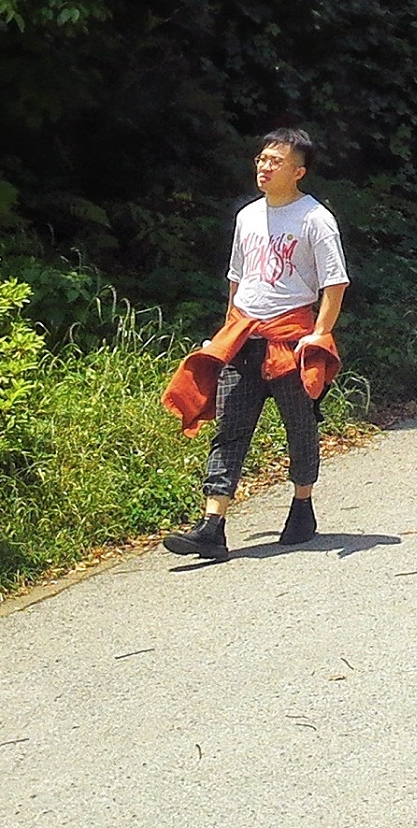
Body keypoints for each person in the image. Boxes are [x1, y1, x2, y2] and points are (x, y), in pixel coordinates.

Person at [161, 129, 348, 561]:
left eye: (275, 161)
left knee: (300, 428)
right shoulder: (247, 216)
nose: (264, 167)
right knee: (229, 431)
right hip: (244, 340)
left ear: (298, 171)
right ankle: (212, 526)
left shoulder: (315, 218)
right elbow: (237, 280)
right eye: (262, 159)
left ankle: (302, 506)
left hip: (291, 343)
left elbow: (335, 283)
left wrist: (319, 334)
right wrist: (227, 329)